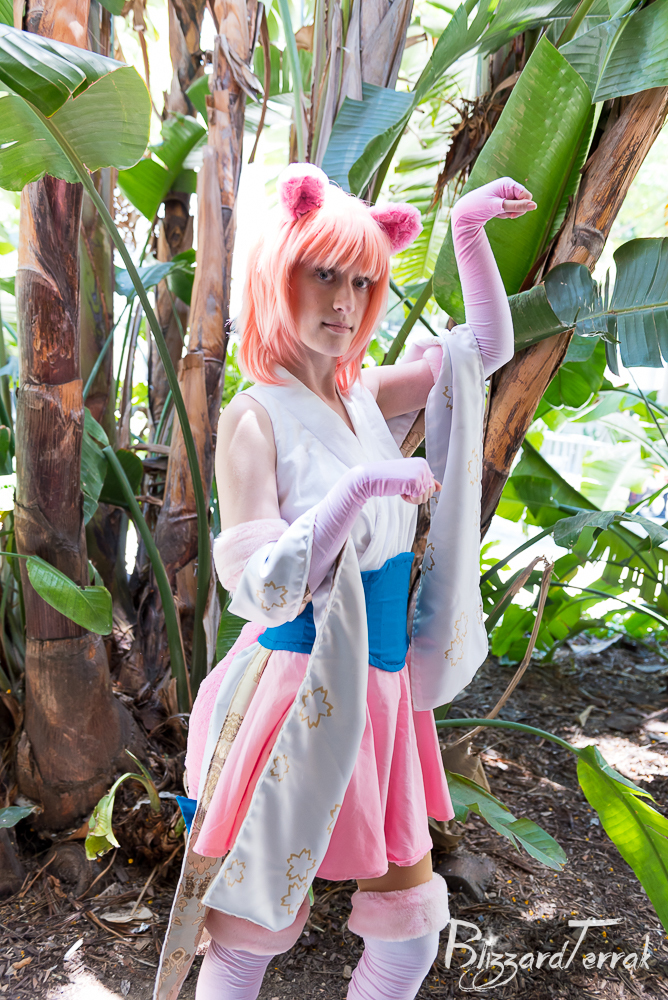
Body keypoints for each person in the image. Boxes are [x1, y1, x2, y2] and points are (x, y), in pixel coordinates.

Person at [160, 166, 535, 1000]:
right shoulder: (254, 417)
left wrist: (468, 233)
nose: (344, 301)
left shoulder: (361, 395)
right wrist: (357, 491)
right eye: (324, 273)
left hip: (382, 696)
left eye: (363, 281)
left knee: (408, 937)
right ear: (277, 275)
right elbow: (260, 584)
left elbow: (481, 354)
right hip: (296, 693)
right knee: (248, 941)